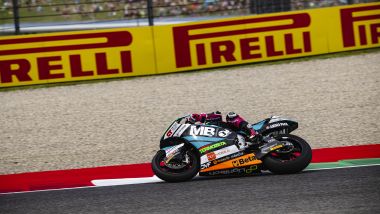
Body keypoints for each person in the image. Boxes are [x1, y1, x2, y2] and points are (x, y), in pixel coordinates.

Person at [186, 111, 260, 146]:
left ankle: (252, 132)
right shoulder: (197, 134)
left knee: (231, 115)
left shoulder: (215, 122)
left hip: (234, 134)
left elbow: (216, 114)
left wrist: (194, 117)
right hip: (220, 146)